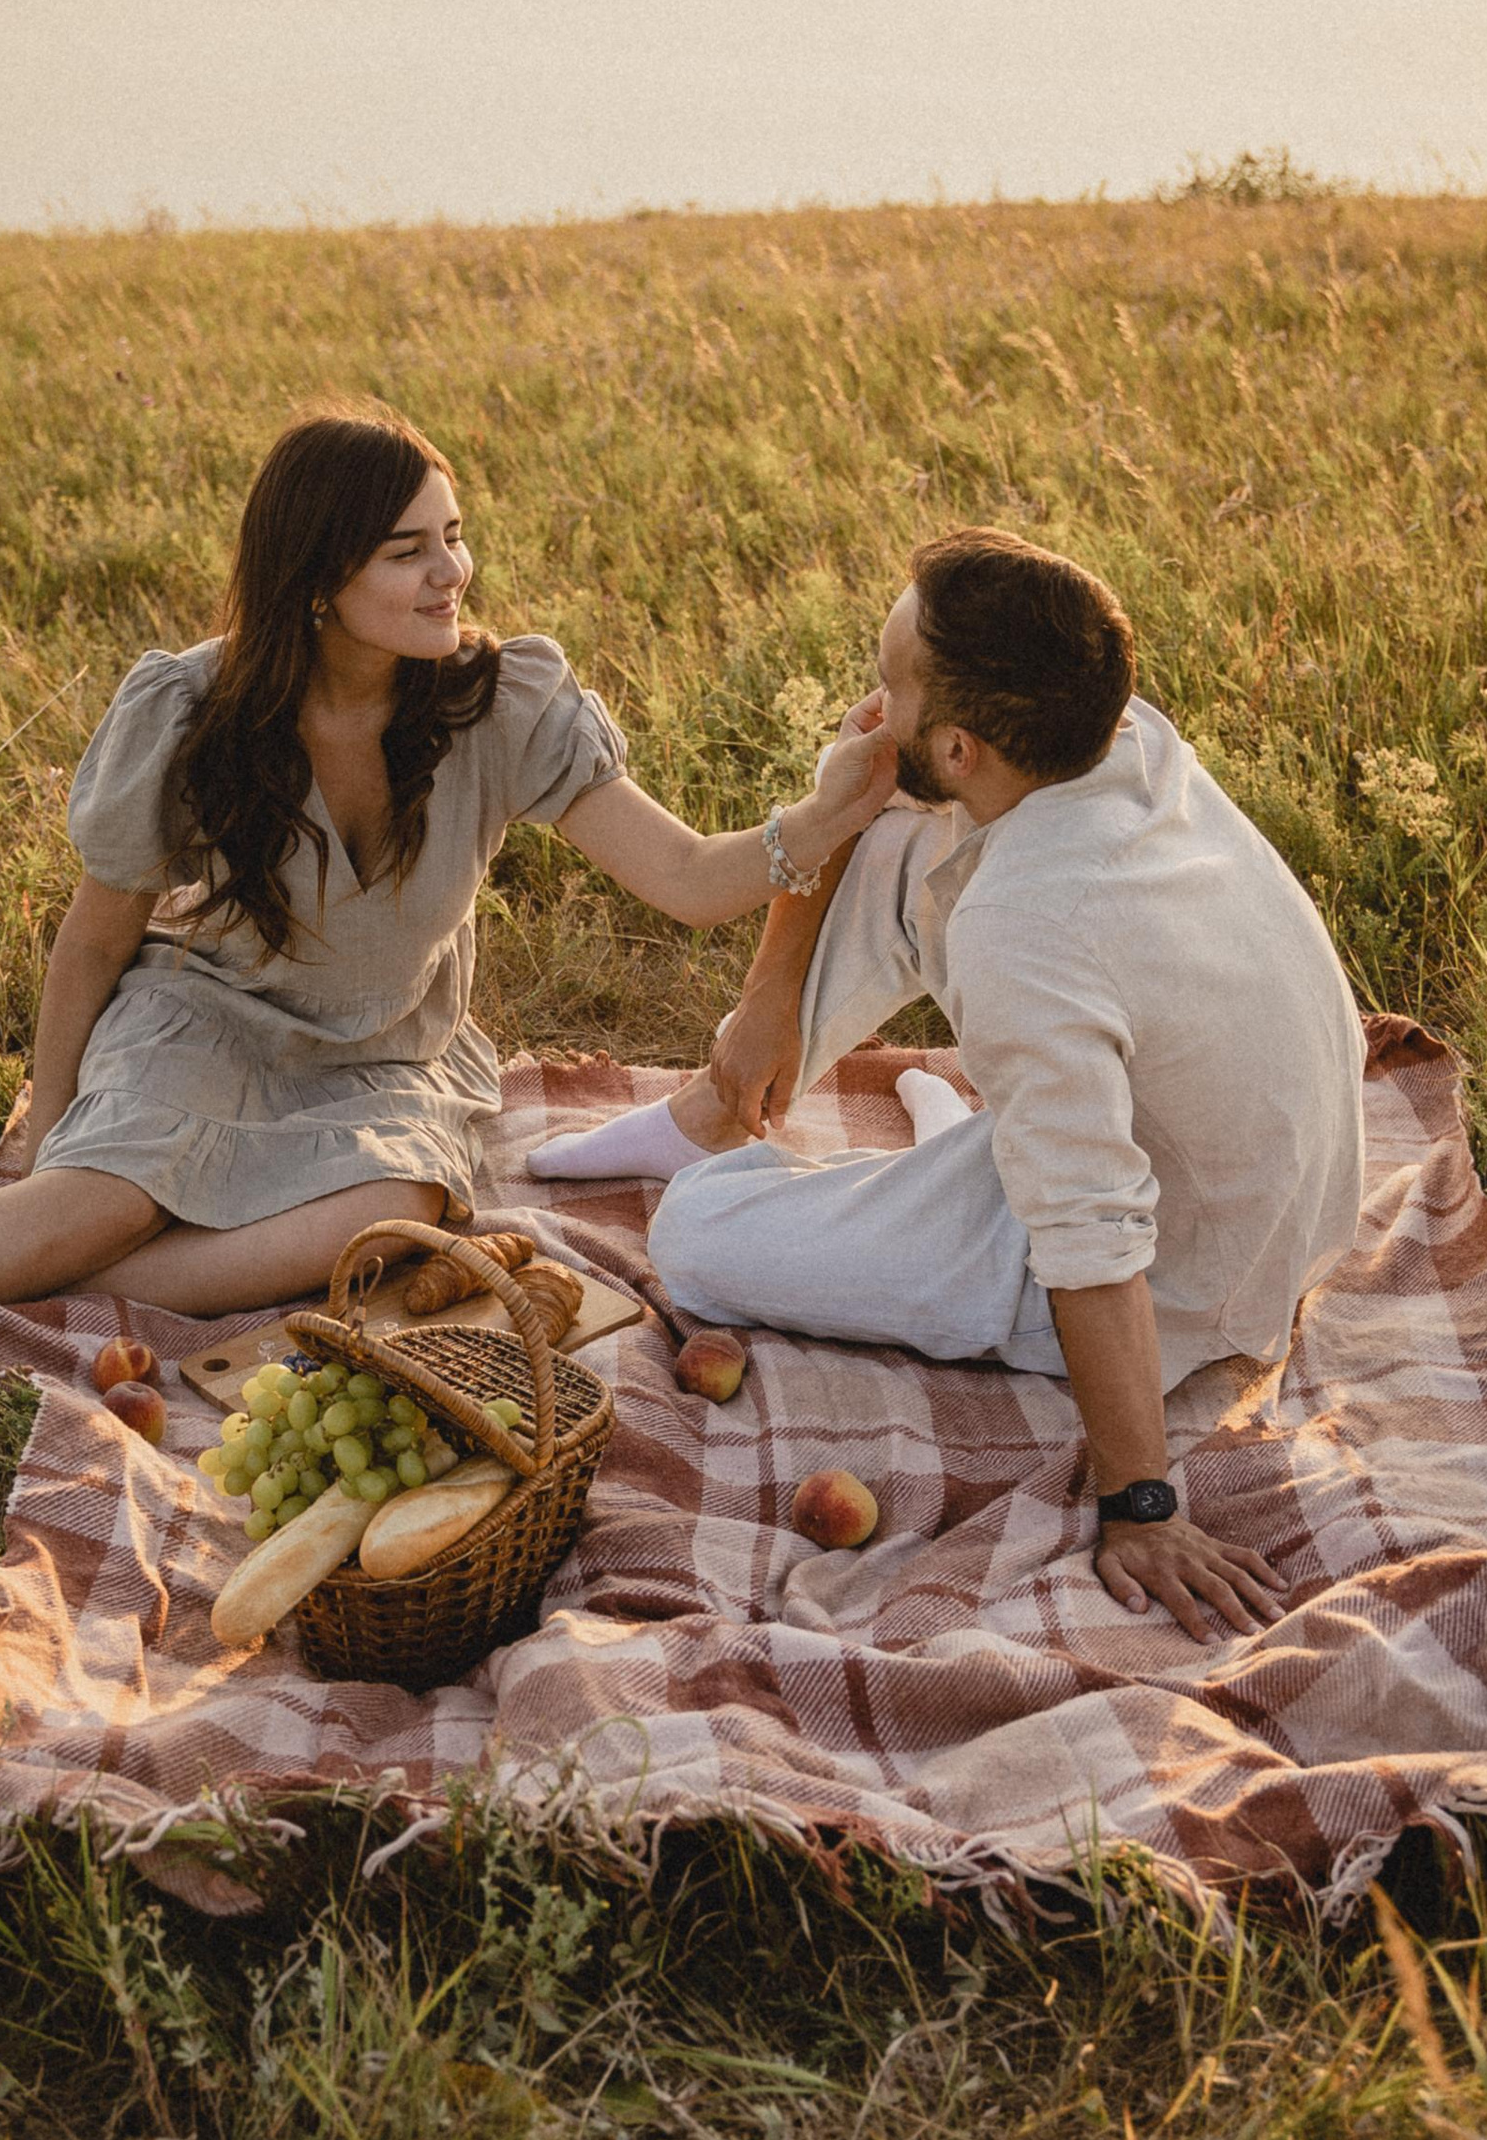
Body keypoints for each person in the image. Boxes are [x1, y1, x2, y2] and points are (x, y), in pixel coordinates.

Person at [0, 398, 896, 1506]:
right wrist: (51, 1129)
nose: (451, 572)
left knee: (396, 1219)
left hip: (387, 1051)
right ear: (314, 579)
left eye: (452, 535)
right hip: (204, 1017)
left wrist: (827, 809)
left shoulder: (500, 701)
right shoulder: (191, 711)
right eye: (408, 551)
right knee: (102, 1193)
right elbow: (91, 944)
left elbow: (684, 880)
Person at [528, 528, 1366, 1644]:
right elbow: (893, 797)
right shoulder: (1117, 744)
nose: (868, 704)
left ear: (966, 743)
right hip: (1247, 1172)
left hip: (1184, 1275)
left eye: (889, 684)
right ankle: (737, 1096)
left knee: (695, 1231)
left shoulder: (1027, 924)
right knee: (878, 811)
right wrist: (772, 999)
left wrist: (1142, 1502)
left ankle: (873, 1161)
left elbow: (1093, 1241)